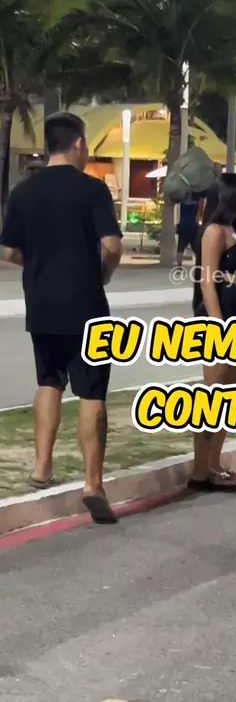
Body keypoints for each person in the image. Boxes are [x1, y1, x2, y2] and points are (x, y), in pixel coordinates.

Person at [0, 112, 123, 524]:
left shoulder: (23, 192)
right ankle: (93, 484)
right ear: (78, 143)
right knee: (91, 392)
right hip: (86, 305)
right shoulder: (92, 190)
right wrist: (102, 273)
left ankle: (41, 467)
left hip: (41, 304)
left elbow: (10, 251)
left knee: (49, 380)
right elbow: (112, 245)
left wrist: (41, 267)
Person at [189, 174, 236, 492]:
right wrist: (218, 326)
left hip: (232, 321)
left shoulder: (234, 231)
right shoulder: (214, 231)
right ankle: (200, 471)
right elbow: (207, 282)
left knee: (232, 395)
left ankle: (213, 463)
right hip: (218, 322)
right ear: (231, 197)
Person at [175, 191, 204, 268]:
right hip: (191, 224)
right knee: (193, 246)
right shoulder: (197, 192)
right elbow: (201, 205)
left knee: (182, 246)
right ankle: (181, 265)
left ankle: (179, 265)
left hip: (186, 223)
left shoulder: (183, 193)